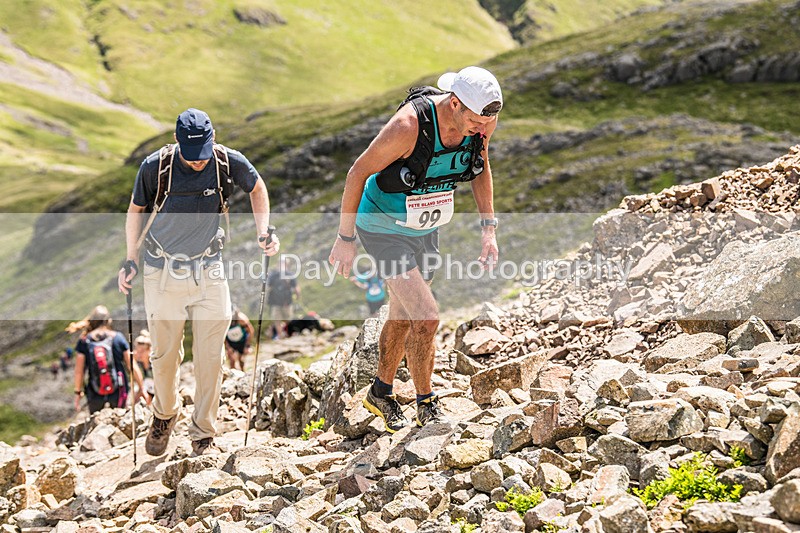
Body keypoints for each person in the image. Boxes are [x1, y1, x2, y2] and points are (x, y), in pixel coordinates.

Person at [328, 66, 502, 432]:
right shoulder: (408, 126)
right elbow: (357, 172)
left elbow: (480, 166)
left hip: (425, 227)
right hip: (381, 227)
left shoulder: (482, 122)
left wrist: (489, 229)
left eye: (487, 123)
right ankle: (427, 404)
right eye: (475, 123)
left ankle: (380, 392)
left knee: (405, 315)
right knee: (427, 316)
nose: (481, 131)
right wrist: (345, 240)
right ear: (454, 103)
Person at [118, 108, 279, 456]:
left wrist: (263, 230)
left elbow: (257, 187)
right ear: (176, 141)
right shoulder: (155, 167)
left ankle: (203, 431)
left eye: (202, 155)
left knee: (210, 357)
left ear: (213, 137)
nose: (198, 163)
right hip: (161, 272)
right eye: (191, 158)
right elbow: (135, 212)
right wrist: (130, 257)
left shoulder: (224, 161)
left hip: (210, 268)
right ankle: (164, 414)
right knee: (163, 357)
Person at [70, 305, 147, 414]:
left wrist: (78, 392)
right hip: (118, 389)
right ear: (108, 321)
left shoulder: (84, 341)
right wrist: (141, 387)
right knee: (119, 419)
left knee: (96, 423)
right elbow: (131, 365)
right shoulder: (118, 338)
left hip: (94, 391)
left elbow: (79, 371)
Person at [267, 256, 300, 339]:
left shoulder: (290, 275)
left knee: (288, 318)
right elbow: (268, 286)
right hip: (275, 301)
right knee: (276, 319)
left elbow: (295, 286)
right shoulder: (273, 275)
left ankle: (289, 333)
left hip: (287, 301)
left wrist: (297, 294)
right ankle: (280, 335)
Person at [225, 306, 254, 371]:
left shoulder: (242, 319)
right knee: (232, 360)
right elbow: (222, 336)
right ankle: (232, 375)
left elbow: (250, 331)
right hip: (230, 341)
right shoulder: (224, 320)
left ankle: (242, 372)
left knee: (241, 360)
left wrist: (247, 345)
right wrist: (228, 347)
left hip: (242, 341)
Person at [132, 330, 155, 405]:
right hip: (146, 389)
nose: (139, 354)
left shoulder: (154, 364)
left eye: (142, 351)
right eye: (137, 351)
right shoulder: (137, 364)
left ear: (149, 350)